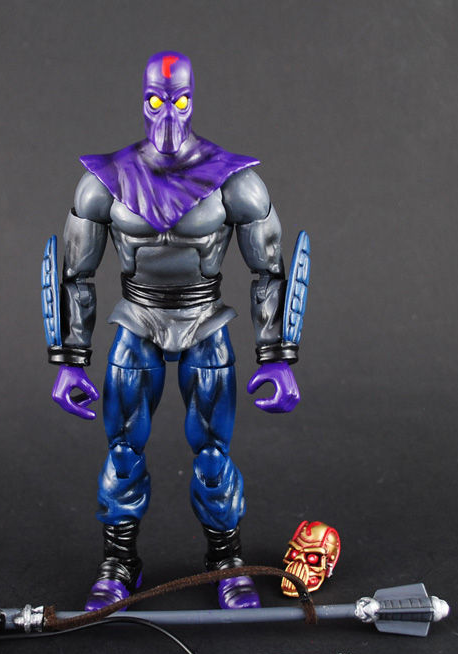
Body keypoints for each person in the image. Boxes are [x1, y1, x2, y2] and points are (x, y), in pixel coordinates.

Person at [47, 51, 301, 611]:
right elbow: (74, 274)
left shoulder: (234, 181)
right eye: (156, 101)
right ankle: (120, 562)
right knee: (122, 449)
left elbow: (271, 269)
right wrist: (70, 360)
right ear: (142, 100)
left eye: (180, 101)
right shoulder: (105, 181)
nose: (168, 115)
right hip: (136, 319)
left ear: (193, 100)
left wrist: (276, 357)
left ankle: (226, 559)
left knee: (212, 451)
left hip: (205, 320)